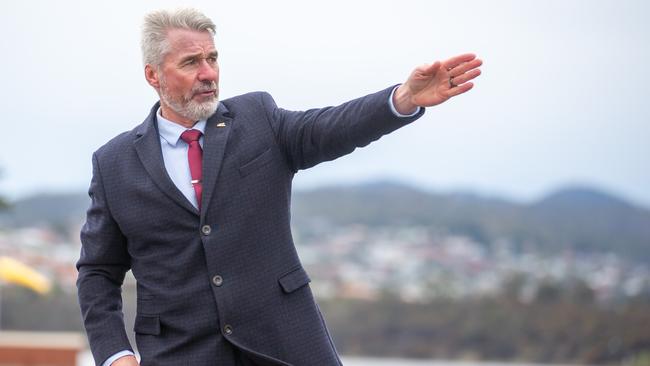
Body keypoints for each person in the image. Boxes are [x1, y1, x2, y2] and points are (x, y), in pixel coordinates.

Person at [76, 7, 482, 366]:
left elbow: (330, 127)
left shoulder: (257, 118)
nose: (208, 73)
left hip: (286, 343)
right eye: (191, 62)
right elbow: (97, 271)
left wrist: (404, 98)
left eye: (212, 58)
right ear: (153, 74)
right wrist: (116, 355)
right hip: (180, 352)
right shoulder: (113, 164)